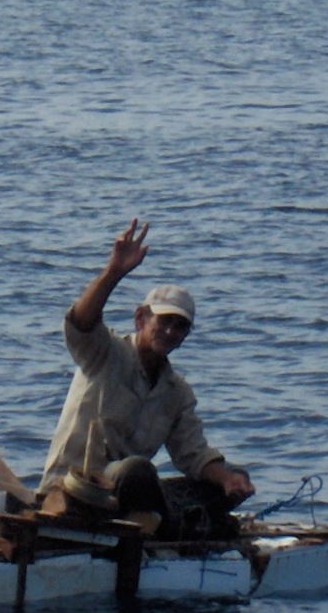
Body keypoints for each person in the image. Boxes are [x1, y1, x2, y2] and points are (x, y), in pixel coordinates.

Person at [39, 220, 254, 536]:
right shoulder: (105, 353)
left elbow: (193, 454)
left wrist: (228, 480)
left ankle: (159, 519)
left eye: (180, 326)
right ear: (141, 318)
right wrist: (113, 272)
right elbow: (80, 323)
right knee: (137, 470)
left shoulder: (176, 392)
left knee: (229, 479)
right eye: (164, 321)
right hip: (77, 491)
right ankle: (167, 523)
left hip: (127, 499)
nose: (170, 331)